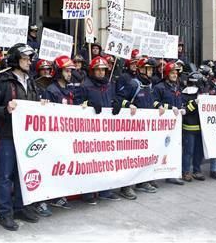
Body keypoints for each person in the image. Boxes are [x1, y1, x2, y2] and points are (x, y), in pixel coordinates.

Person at [0, 43, 40, 231]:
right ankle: (5, 213)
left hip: (27, 136)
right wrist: (6, 110)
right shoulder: (1, 81)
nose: (29, 62)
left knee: (22, 174)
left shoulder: (31, 81)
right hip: (8, 135)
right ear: (16, 59)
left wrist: (43, 104)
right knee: (6, 176)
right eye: (25, 58)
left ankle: (20, 207)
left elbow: (35, 105)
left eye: (30, 58)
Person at [113, 57, 160, 198]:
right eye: (148, 69)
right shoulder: (133, 84)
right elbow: (117, 99)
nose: (151, 71)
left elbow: (150, 102)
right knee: (130, 158)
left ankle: (142, 182)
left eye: (152, 69)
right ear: (141, 69)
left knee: (144, 156)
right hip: (132, 131)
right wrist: (128, 105)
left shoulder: (149, 85)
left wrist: (159, 107)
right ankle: (125, 187)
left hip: (146, 130)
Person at [80, 56, 121, 204]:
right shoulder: (85, 85)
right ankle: (88, 193)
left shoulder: (109, 85)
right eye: (98, 70)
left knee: (105, 160)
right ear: (92, 71)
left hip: (106, 130)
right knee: (90, 162)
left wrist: (116, 103)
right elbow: (77, 105)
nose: (101, 72)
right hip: (90, 131)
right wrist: (88, 103)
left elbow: (113, 98)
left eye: (103, 70)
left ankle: (105, 190)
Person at [42, 55, 77, 210]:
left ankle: (58, 195)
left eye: (71, 71)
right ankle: (48, 196)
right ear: (58, 71)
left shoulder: (69, 90)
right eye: (67, 71)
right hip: (53, 138)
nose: (70, 74)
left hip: (65, 137)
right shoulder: (51, 90)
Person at [180, 72, 206, 182]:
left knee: (199, 152)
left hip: (201, 128)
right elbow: (185, 110)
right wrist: (194, 104)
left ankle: (197, 170)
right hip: (189, 128)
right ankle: (185, 172)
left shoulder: (202, 93)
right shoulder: (185, 94)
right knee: (188, 152)